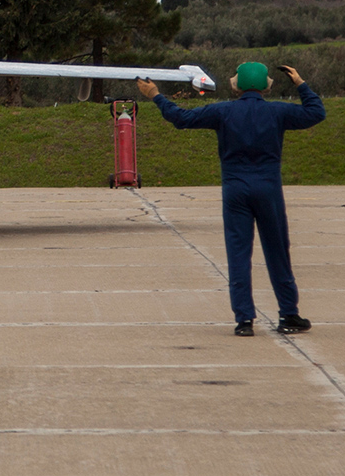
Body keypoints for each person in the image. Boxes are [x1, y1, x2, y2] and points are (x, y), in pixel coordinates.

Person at [136, 63, 326, 337]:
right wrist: (300, 83)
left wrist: (155, 94)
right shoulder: (278, 111)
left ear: (236, 85)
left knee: (238, 254)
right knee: (277, 252)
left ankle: (244, 320)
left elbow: (181, 118)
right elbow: (316, 112)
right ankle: (288, 314)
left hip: (235, 189)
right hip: (268, 189)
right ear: (267, 86)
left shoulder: (222, 111)